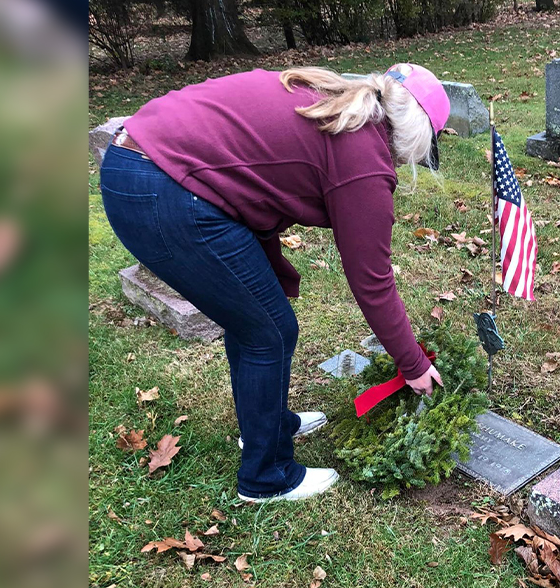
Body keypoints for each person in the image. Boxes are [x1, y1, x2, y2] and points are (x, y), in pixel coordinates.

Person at [99, 63, 450, 503]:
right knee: (269, 331)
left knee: (254, 322)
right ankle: (267, 477)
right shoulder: (363, 155)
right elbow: (372, 280)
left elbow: (252, 180)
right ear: (415, 130)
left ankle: (265, 428)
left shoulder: (333, 99)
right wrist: (413, 363)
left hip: (138, 160)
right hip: (161, 186)